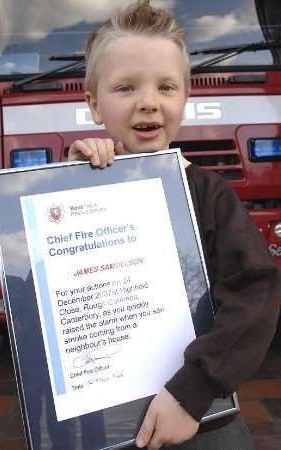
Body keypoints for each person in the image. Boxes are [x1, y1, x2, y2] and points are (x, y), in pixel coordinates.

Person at [67, 1, 281, 449]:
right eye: (125, 87)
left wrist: (193, 393)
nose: (148, 101)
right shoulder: (77, 183)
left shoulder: (209, 193)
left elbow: (256, 292)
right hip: (107, 421)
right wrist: (67, 185)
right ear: (94, 105)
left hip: (203, 419)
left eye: (166, 86)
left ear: (185, 99)